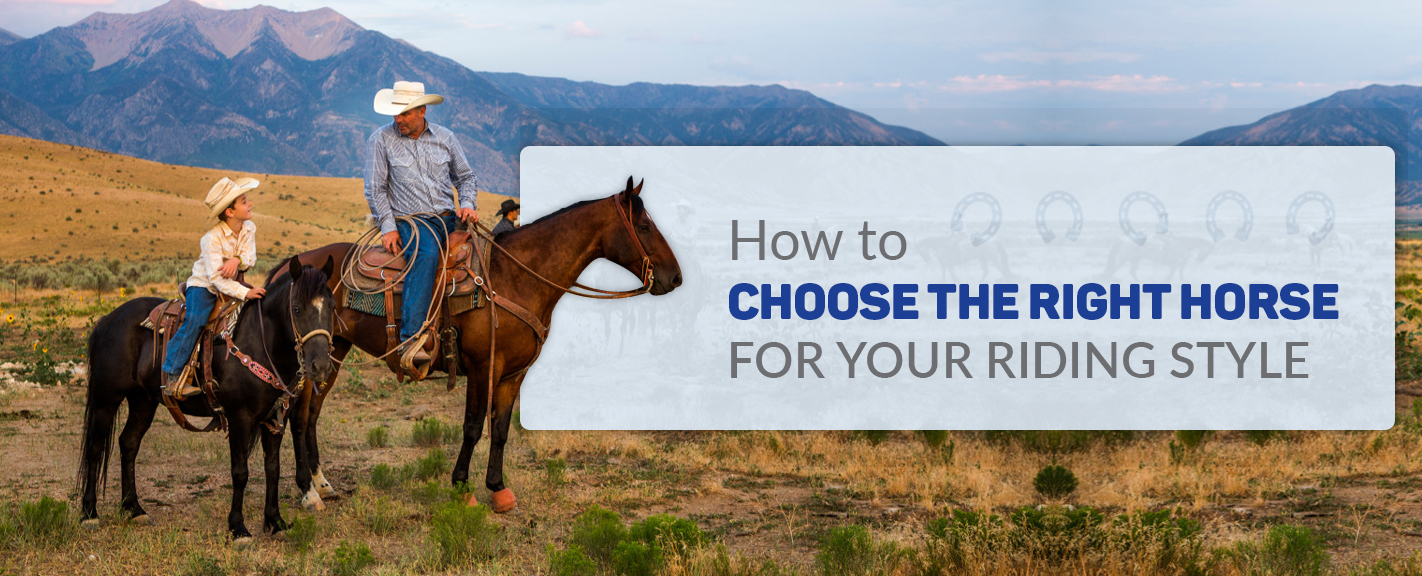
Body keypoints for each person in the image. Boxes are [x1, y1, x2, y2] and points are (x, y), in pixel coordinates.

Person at [363, 80, 478, 375]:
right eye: (395, 114)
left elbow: (465, 177)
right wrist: (388, 227)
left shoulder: (445, 137)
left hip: (448, 215)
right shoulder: (381, 140)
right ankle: (411, 340)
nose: (397, 120)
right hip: (412, 220)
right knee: (425, 256)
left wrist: (467, 204)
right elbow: (375, 189)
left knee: (483, 253)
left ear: (422, 111)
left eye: (404, 114)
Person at [162, 177, 267, 397]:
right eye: (244, 201)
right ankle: (173, 374)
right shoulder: (211, 239)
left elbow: (250, 258)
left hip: (234, 283)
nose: (250, 205)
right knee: (197, 319)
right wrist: (246, 292)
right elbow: (216, 280)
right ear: (230, 212)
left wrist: (236, 260)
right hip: (205, 287)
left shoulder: (249, 228)